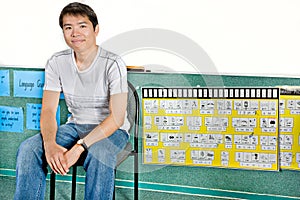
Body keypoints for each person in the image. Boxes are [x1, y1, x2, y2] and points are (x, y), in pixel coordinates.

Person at [14, 2, 130, 199]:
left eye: (82, 26)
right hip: (75, 126)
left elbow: (117, 118)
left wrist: (79, 147)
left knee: (100, 154)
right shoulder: (56, 62)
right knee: (29, 148)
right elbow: (48, 110)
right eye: (68, 27)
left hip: (112, 130)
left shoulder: (113, 63)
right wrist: (50, 144)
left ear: (96, 29)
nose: (75, 33)